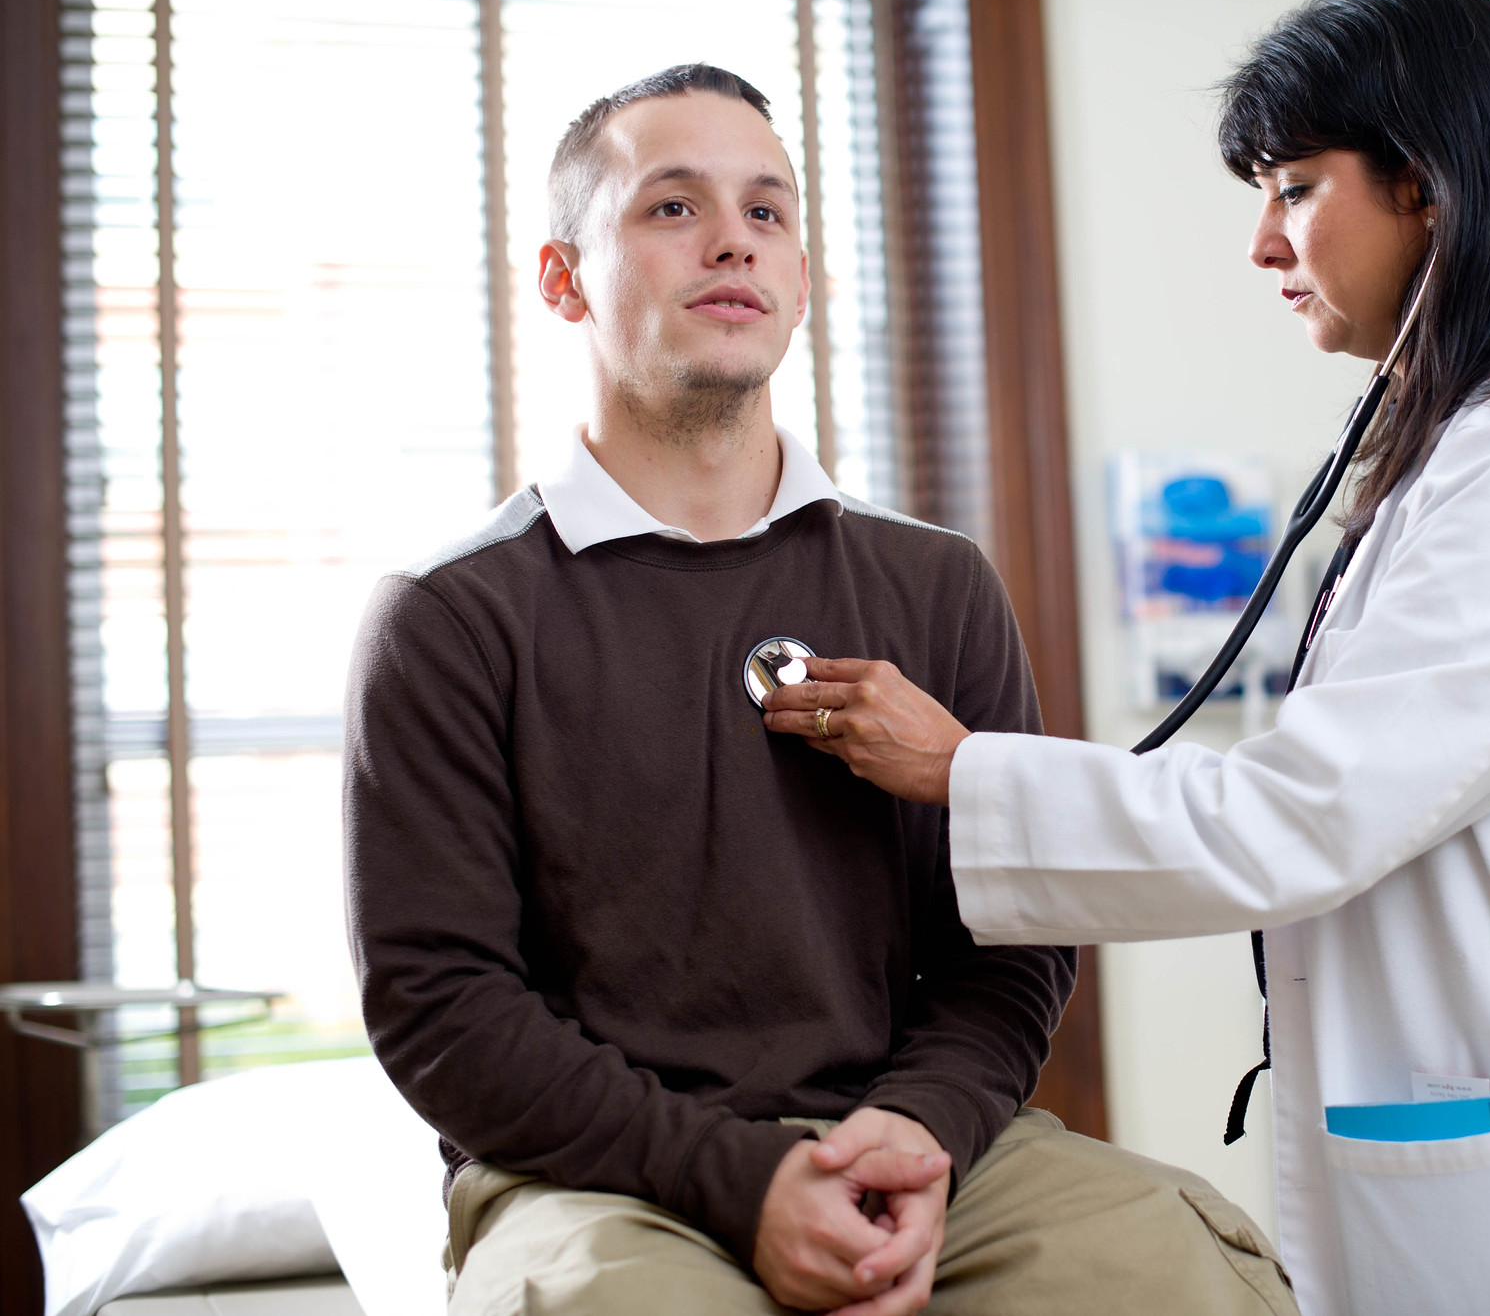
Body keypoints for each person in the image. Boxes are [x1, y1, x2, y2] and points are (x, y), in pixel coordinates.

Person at [762, 0, 1490, 1316]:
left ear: (1432, 185)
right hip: (1468, 1066)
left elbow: (1305, 807)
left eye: (1295, 187)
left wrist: (963, 772)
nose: (1264, 242)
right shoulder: (1472, 449)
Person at [343, 64, 1295, 1316]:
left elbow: (1008, 947)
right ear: (563, 279)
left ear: (799, 279)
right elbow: (441, 1007)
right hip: (597, 1177)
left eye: (767, 211)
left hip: (918, 1144)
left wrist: (915, 1129)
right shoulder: (451, 614)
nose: (732, 236)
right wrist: (740, 1178)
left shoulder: (937, 583)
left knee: (1179, 1267)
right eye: (671, 208)